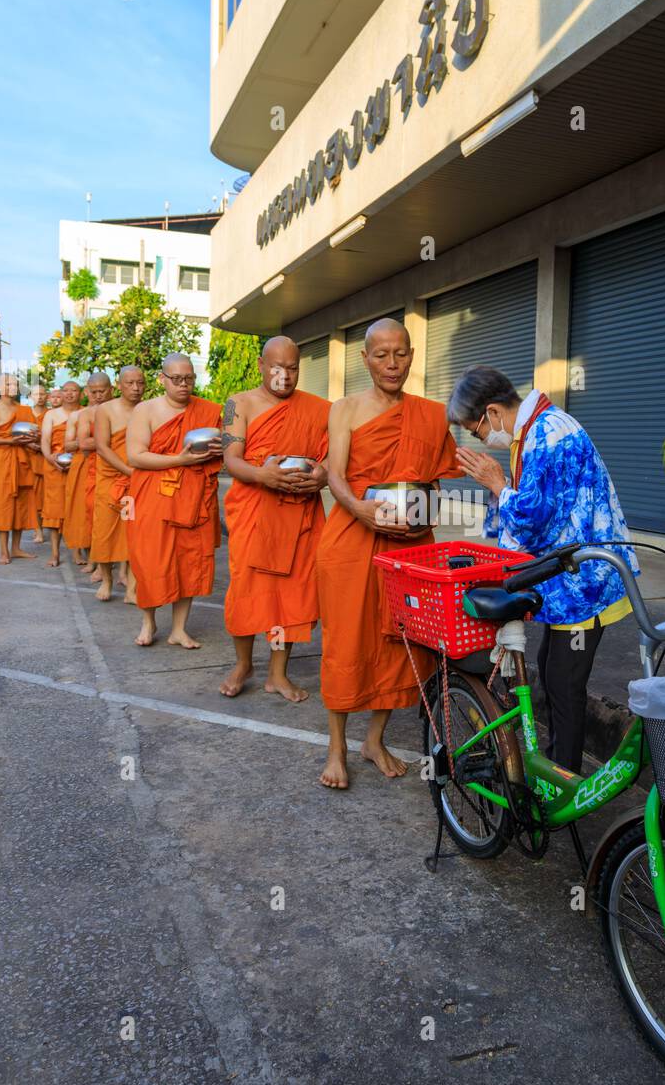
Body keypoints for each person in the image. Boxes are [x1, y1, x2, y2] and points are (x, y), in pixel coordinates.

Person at [450, 367, 638, 776]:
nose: (483, 441)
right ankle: (556, 768)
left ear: (493, 413)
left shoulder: (549, 434)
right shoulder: (534, 432)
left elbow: (538, 521)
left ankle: (563, 781)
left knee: (564, 685)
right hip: (570, 580)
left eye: (478, 432)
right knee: (553, 674)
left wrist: (497, 485)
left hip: (586, 583)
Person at [316, 319, 459, 790]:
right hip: (351, 540)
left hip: (411, 544)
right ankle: (336, 747)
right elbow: (334, 474)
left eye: (400, 354)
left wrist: (424, 509)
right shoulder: (346, 409)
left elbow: (434, 479)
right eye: (381, 355)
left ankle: (374, 739)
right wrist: (358, 507)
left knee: (398, 640)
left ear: (412, 356)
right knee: (346, 641)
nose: (391, 364)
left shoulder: (432, 415)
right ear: (365, 359)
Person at [220, 336, 330, 701]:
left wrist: (323, 474)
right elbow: (231, 459)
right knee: (246, 593)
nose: (285, 375)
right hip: (254, 511)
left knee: (291, 597)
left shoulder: (318, 408)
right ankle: (243, 663)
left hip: (299, 515)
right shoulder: (239, 404)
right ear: (261, 365)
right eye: (277, 368)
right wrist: (262, 475)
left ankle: (277, 674)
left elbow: (335, 456)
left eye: (293, 368)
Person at [126, 353, 223, 648]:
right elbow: (135, 455)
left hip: (194, 495)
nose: (184, 385)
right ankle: (149, 622)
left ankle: (179, 629)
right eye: (177, 379)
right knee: (151, 561)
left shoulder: (207, 411)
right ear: (162, 379)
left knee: (188, 561)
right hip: (153, 494)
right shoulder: (146, 410)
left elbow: (223, 451)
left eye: (189, 379)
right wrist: (178, 459)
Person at [90, 365, 145, 603]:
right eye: (130, 383)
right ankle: (107, 580)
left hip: (137, 482)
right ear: (119, 385)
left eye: (140, 383)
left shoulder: (148, 409)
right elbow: (102, 447)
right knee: (104, 533)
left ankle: (132, 589)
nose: (135, 388)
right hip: (111, 479)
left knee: (133, 533)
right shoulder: (106, 410)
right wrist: (128, 471)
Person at [63, 372, 112, 570]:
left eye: (102, 391)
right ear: (88, 392)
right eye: (94, 392)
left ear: (111, 390)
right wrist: (109, 440)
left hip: (114, 466)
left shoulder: (120, 409)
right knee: (90, 511)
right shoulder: (83, 415)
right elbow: (79, 444)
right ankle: (93, 558)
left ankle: (116, 563)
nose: (98, 396)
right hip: (89, 465)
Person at [0, 373, 39, 563]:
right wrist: (10, 441)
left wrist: (33, 443)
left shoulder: (24, 410)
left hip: (22, 461)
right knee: (4, 505)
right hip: (2, 461)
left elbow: (33, 433)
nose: (11, 386)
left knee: (21, 504)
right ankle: (4, 550)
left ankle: (16, 548)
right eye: (7, 383)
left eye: (14, 384)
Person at [41, 380, 82, 567]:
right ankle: (55, 554)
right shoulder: (51, 414)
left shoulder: (85, 412)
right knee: (54, 511)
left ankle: (77, 552)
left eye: (74, 390)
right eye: (66, 390)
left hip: (78, 465)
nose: (69, 394)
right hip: (54, 467)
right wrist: (52, 460)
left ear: (80, 393)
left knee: (76, 509)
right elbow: (45, 441)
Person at [28, 384, 49, 543]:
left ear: (46, 396)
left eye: (42, 394)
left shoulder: (51, 414)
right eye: (36, 394)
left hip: (46, 459)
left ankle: (50, 525)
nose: (40, 397)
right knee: (33, 496)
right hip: (28, 459)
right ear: (30, 396)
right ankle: (38, 530)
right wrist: (28, 445)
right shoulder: (24, 414)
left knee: (46, 495)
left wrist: (43, 446)